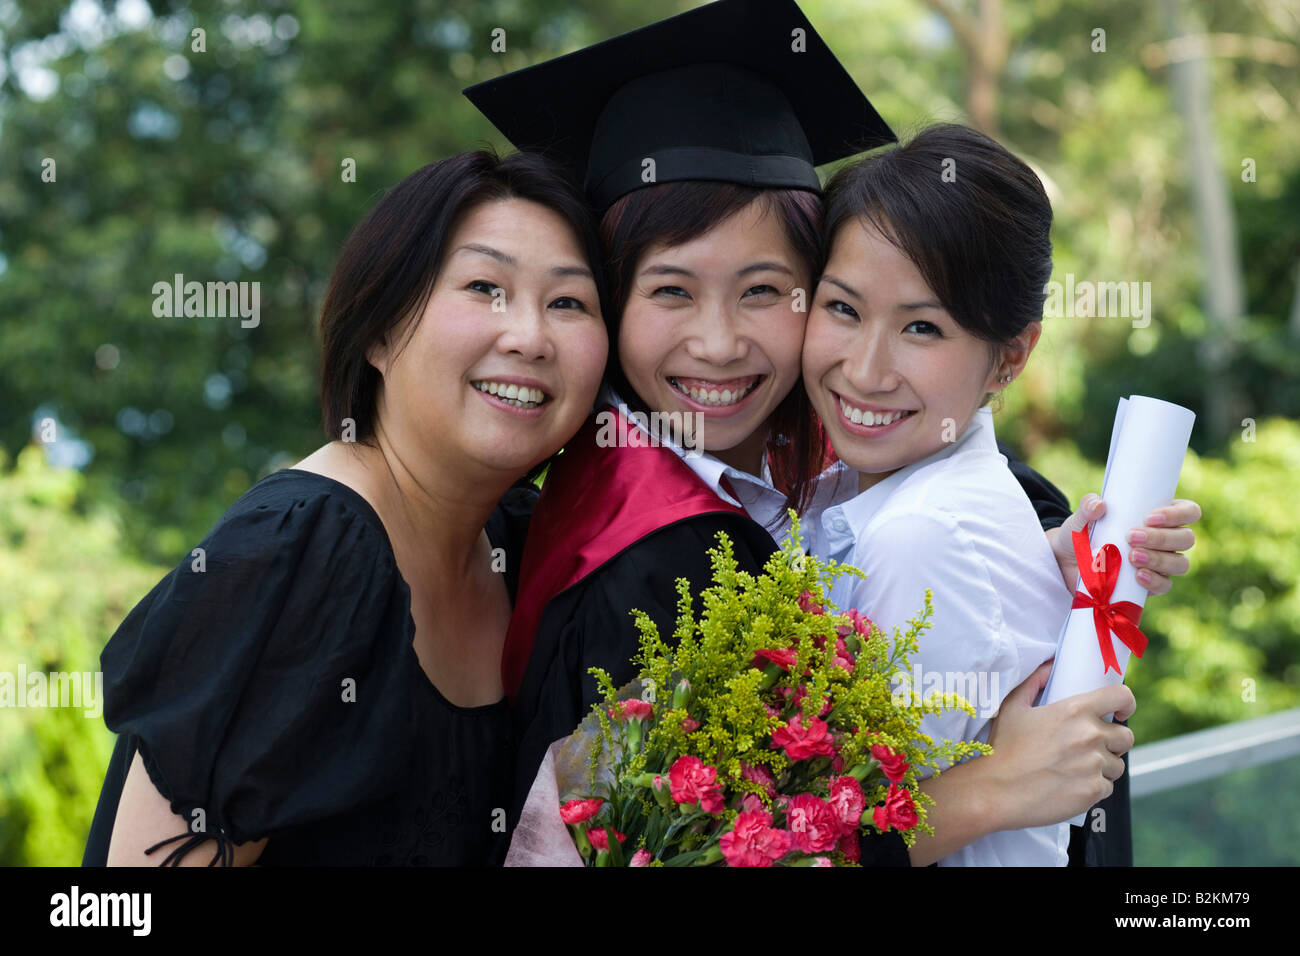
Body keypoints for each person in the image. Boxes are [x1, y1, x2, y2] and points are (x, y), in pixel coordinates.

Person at [466, 0, 1198, 865]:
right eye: (669, 291)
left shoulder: (842, 476)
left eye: (766, 290)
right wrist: (982, 791)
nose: (718, 342)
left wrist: (1032, 569)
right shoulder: (647, 559)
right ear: (609, 301)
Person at [81, 149, 610, 866]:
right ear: (380, 333)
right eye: (485, 286)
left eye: (569, 302)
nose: (529, 336)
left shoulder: (523, 548)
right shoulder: (301, 554)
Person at [802, 123, 1194, 865]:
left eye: (922, 327)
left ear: (1009, 359)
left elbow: (836, 840)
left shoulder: (920, 535)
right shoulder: (849, 491)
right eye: (843, 309)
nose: (865, 369)